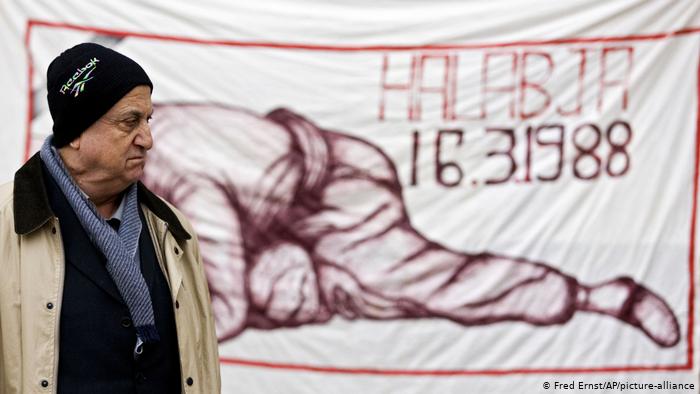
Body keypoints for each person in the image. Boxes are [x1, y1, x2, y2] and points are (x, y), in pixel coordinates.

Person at [143, 104, 680, 349]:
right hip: (284, 214)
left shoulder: (176, 174)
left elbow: (226, 309)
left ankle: (599, 297)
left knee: (434, 284)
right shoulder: (142, 146)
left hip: (339, 191)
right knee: (285, 291)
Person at [0, 43, 220, 393]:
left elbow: (201, 362)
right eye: (130, 121)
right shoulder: (6, 224)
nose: (147, 139)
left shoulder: (172, 229)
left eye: (147, 120)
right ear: (75, 132)